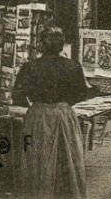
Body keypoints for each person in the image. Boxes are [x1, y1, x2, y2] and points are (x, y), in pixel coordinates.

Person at [13, 26, 92, 199]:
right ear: (62, 45)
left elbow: (17, 95)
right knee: (67, 158)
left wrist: (36, 105)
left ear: (41, 44)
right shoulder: (73, 66)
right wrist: (63, 104)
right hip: (63, 115)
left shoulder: (30, 67)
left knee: (37, 159)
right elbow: (82, 93)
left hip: (38, 115)